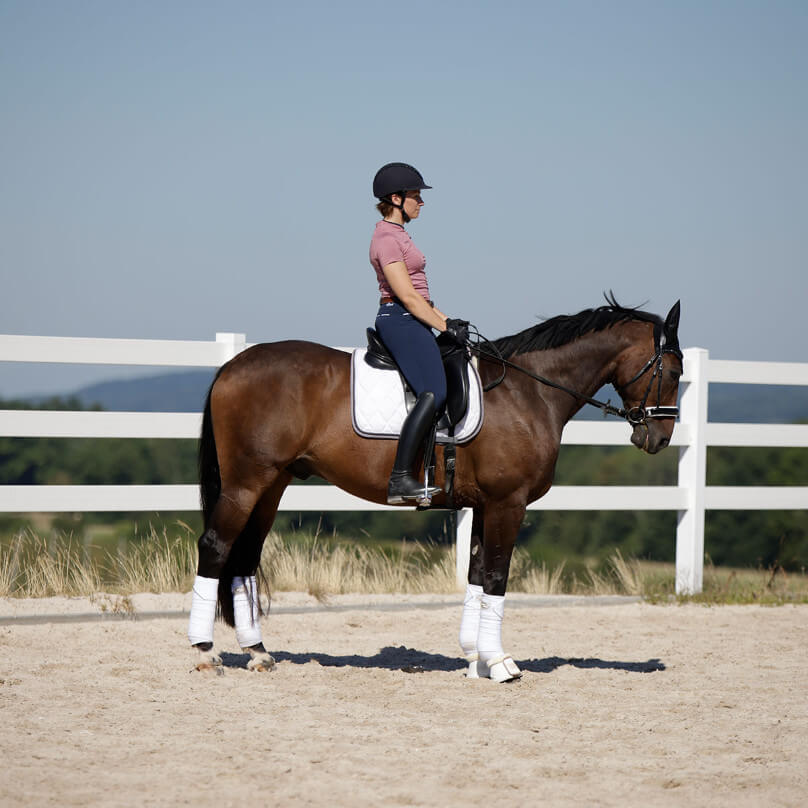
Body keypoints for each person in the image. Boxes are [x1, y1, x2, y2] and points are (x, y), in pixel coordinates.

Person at [369, 162, 469, 504]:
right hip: (399, 318)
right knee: (434, 391)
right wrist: (441, 325)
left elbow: (422, 297)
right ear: (395, 199)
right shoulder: (385, 238)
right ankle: (400, 479)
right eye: (415, 196)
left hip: (413, 315)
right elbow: (407, 296)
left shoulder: (400, 235)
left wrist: (449, 321)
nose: (420, 202)